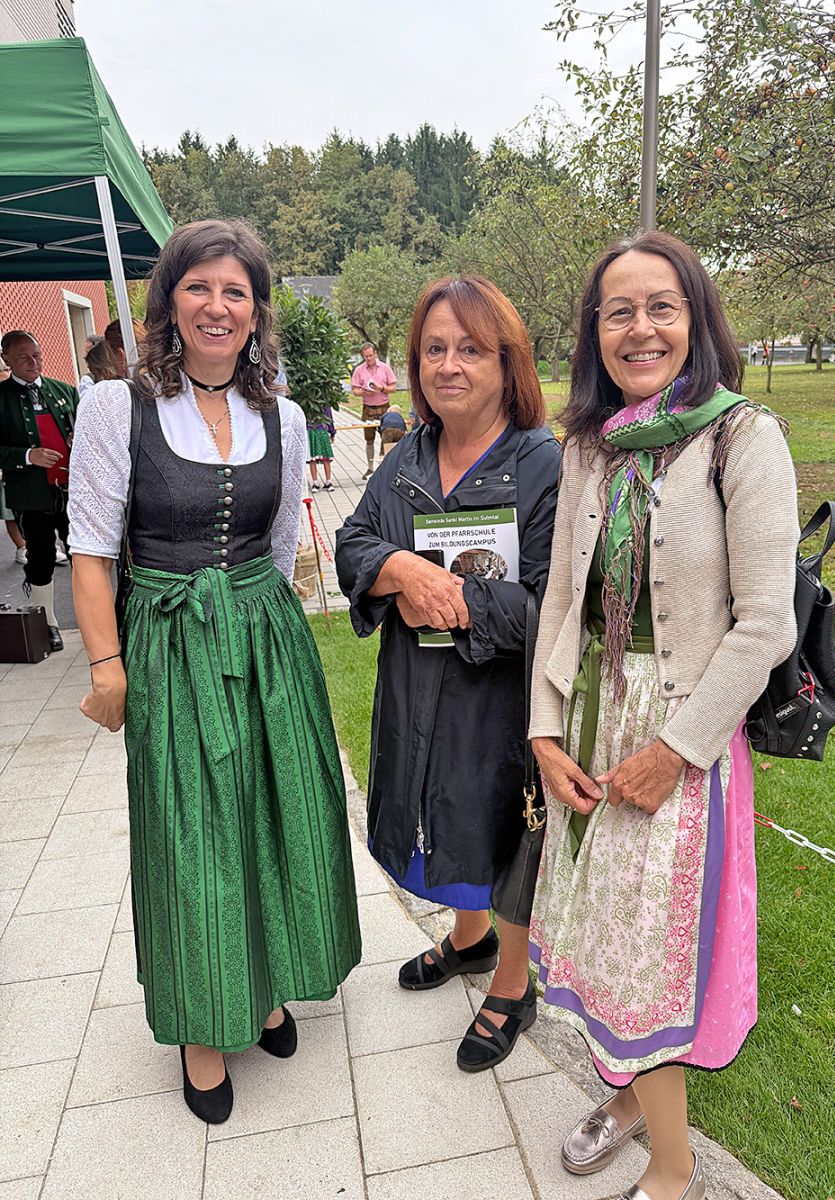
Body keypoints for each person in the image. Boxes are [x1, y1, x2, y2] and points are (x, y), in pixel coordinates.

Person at [68, 218, 361, 1125]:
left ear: (257, 311)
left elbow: (276, 548)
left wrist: (263, 634)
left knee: (275, 812)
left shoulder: (285, 415)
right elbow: (90, 553)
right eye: (199, 287)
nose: (218, 306)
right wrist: (108, 666)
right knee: (190, 831)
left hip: (265, 636)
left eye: (236, 291)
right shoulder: (116, 408)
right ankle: (202, 1027)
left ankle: (264, 986)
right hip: (169, 641)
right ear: (169, 302)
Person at [528, 231, 798, 1200]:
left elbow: (765, 623)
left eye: (661, 307)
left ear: (696, 320)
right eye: (618, 312)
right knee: (605, 934)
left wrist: (675, 752)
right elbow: (562, 597)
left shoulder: (742, 438)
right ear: (594, 331)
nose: (640, 329)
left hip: (682, 728)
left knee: (651, 956)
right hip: (593, 717)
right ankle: (633, 1097)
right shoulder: (588, 446)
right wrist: (543, 729)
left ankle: (674, 1168)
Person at [336, 276, 560, 1072]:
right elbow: (352, 542)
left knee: (502, 824)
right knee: (438, 811)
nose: (449, 365)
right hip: (415, 683)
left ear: (507, 362)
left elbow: (554, 607)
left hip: (499, 696)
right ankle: (468, 942)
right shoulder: (408, 456)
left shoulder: (542, 466)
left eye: (471, 348)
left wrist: (456, 597)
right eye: (434, 349)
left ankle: (512, 982)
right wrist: (400, 568)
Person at [0, 331, 78, 651]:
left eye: (36, 355)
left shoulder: (65, 391)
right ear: (6, 359)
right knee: (41, 556)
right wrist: (27, 456)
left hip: (72, 491)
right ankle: (47, 623)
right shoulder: (1, 398)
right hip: (31, 495)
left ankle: (95, 618)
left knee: (84, 556)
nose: (33, 363)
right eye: (23, 358)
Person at [351, 341, 396, 478]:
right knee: (369, 439)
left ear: (375, 353)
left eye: (371, 355)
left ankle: (386, 468)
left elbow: (393, 388)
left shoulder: (385, 368)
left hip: (384, 406)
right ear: (362, 356)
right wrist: (365, 392)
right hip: (368, 408)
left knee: (388, 437)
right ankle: (370, 468)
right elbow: (355, 390)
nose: (369, 358)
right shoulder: (359, 370)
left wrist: (381, 388)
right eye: (366, 356)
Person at [308, 404, 336, 490]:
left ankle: (315, 483)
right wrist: (332, 432)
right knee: (325, 457)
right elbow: (329, 417)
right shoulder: (325, 402)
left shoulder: (305, 401)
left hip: (310, 430)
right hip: (322, 430)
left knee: (312, 458)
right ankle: (328, 481)